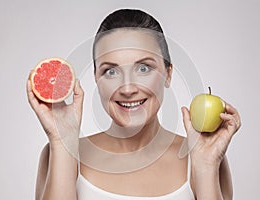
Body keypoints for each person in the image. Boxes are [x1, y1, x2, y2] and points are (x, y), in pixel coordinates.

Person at [27, 9, 241, 200]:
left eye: (144, 68)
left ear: (168, 74)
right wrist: (63, 142)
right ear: (96, 78)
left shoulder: (205, 156)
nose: (127, 88)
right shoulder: (58, 152)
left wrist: (204, 166)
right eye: (110, 71)